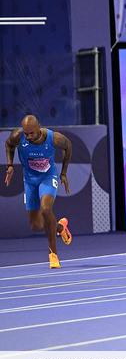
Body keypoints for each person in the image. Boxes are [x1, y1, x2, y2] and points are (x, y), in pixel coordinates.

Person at [5, 115, 74, 269]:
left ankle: (53, 255)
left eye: (31, 133)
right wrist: (10, 165)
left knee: (46, 209)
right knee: (36, 225)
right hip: (30, 181)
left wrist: (63, 173)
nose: (28, 136)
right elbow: (9, 145)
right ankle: (60, 227)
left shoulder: (54, 138)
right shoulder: (18, 136)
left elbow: (68, 146)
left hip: (48, 178)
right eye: (26, 133)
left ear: (39, 128)